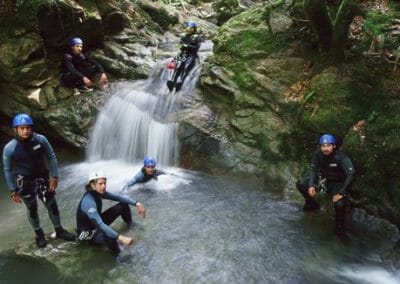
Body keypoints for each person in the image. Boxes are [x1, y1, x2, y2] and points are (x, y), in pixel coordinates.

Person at [2, 113, 75, 248]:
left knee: (51, 204)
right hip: (24, 182)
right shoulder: (10, 148)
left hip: (42, 178)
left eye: (28, 128)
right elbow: (7, 170)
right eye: (22, 128)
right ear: (15, 129)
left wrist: (54, 176)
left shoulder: (40, 140)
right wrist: (13, 190)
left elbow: (52, 157)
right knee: (32, 209)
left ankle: (59, 230)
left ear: (31, 128)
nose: (25, 131)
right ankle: (39, 234)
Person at [296, 134, 355, 238]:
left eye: (328, 145)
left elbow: (351, 174)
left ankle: (339, 229)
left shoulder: (341, 157)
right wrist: (311, 185)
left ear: (334, 146)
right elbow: (313, 169)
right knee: (301, 184)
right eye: (323, 146)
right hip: (324, 178)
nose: (325, 148)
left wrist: (342, 192)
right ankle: (311, 204)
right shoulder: (318, 154)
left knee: (339, 203)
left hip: (337, 182)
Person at [76, 171, 146, 256]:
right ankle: (119, 257)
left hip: (95, 223)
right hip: (87, 234)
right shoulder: (88, 202)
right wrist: (121, 238)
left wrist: (137, 204)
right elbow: (100, 224)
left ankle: (130, 224)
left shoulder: (98, 192)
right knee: (110, 237)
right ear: (92, 185)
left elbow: (118, 197)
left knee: (123, 205)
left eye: (104, 183)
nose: (104, 186)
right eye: (100, 184)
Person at [167, 21, 202, 92]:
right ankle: (171, 81)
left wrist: (186, 45)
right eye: (188, 28)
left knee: (185, 67)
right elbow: (180, 46)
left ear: (194, 29)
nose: (189, 29)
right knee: (174, 65)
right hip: (183, 54)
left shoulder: (197, 37)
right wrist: (181, 46)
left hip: (191, 55)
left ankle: (180, 83)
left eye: (191, 28)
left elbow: (196, 48)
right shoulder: (184, 36)